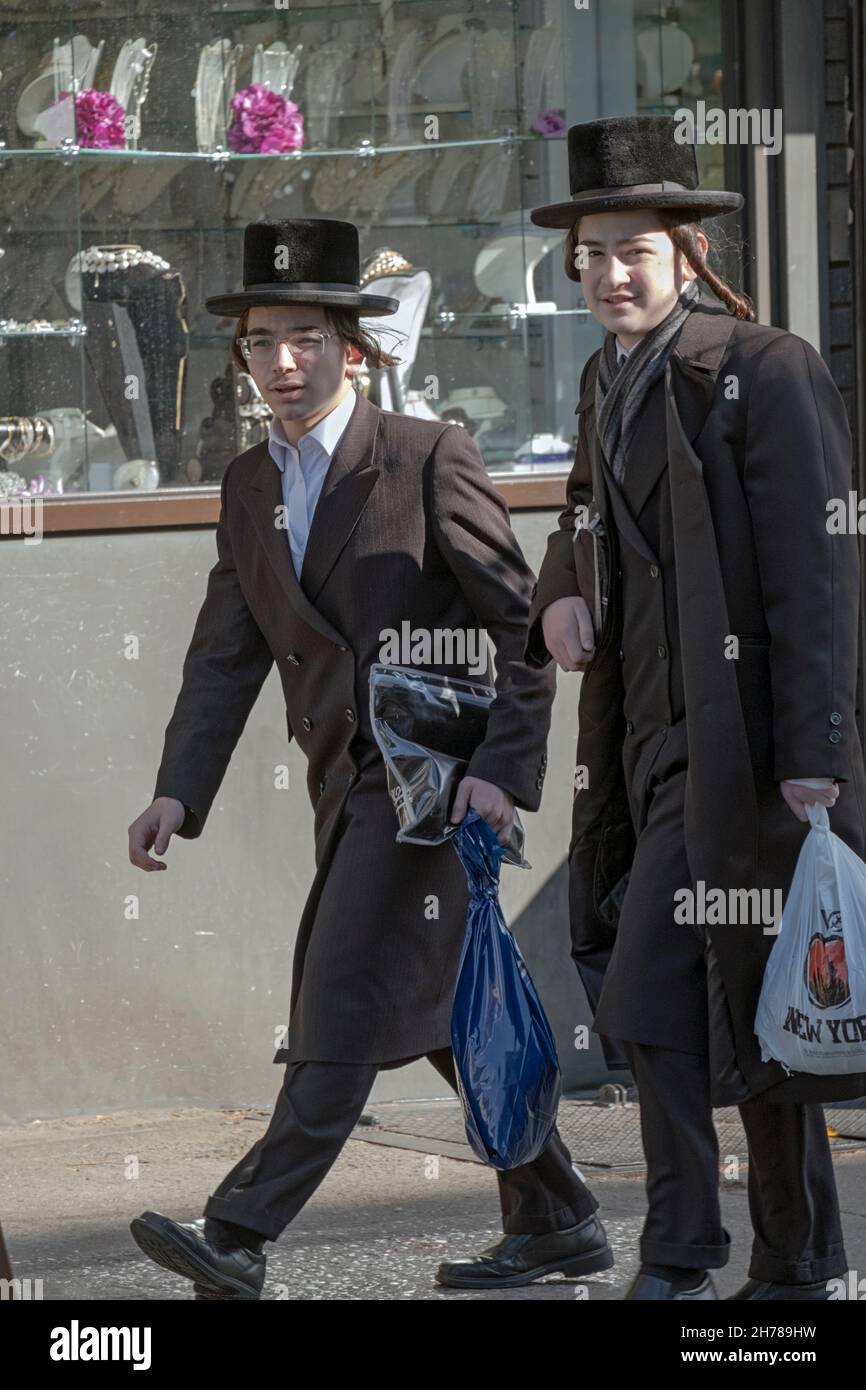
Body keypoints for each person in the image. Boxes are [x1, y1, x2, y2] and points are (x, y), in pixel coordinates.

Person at [127, 218, 612, 1299]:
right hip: (344, 790)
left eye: (305, 337)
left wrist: (503, 769)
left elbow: (519, 626)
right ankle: (559, 1215)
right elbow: (225, 654)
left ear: (353, 349)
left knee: (339, 999)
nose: (282, 361)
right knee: (439, 1013)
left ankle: (239, 1232)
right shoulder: (248, 483)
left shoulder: (426, 455)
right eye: (261, 341)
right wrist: (176, 792)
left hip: (437, 791)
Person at [525, 115, 866, 1301]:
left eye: (633, 250)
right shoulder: (604, 376)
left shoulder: (762, 368)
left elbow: (817, 572)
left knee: (672, 996)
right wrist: (559, 591)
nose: (609, 274)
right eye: (591, 254)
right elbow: (579, 507)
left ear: (686, 253)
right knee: (718, 1004)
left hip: (749, 746)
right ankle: (791, 1259)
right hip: (641, 739)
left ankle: (686, 1253)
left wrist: (815, 752)